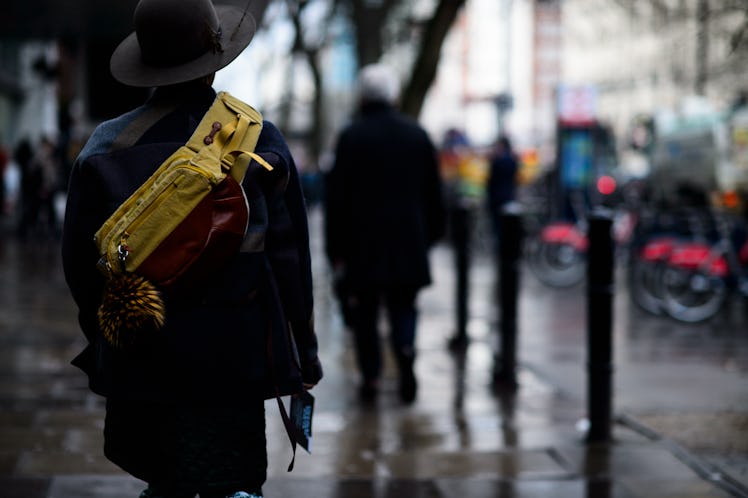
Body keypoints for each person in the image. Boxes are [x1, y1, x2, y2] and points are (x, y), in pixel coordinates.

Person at [61, 1, 323, 497]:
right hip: (235, 357)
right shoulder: (258, 140)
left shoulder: (104, 148)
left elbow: (80, 269)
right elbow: (291, 263)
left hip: (146, 352)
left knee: (164, 477)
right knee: (234, 481)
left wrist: (105, 341)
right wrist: (303, 354)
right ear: (214, 57)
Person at [324, 64, 446, 404]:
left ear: (362, 96)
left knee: (364, 312)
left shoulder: (350, 138)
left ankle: (372, 377)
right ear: (393, 95)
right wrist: (431, 236)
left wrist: (335, 250)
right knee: (404, 307)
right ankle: (405, 352)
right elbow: (435, 194)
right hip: (408, 241)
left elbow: (337, 201)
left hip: (362, 245)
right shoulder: (416, 134)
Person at [486, 135, 519, 249]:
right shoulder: (513, 160)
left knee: (498, 227)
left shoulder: (497, 161)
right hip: (509, 196)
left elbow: (491, 180)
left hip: (497, 199)